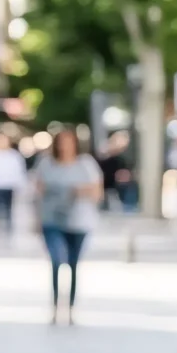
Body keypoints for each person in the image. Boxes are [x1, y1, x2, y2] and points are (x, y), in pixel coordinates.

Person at [35, 126, 103, 325]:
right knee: (57, 261)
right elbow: (38, 191)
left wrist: (79, 190)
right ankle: (56, 304)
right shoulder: (46, 164)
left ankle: (71, 306)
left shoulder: (85, 165)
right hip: (52, 220)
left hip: (79, 222)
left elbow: (97, 192)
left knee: (73, 264)